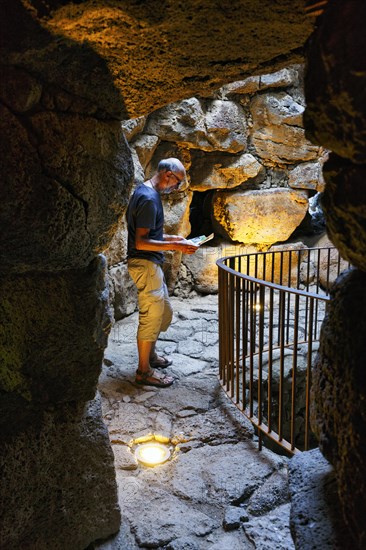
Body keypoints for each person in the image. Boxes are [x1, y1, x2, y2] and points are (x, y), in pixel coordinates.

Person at [126, 158, 199, 388]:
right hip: (145, 264)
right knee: (151, 316)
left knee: (163, 312)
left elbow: (152, 235)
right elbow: (141, 242)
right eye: (177, 182)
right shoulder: (148, 198)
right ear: (168, 174)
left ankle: (151, 357)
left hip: (151, 264)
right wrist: (175, 247)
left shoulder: (149, 193)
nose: (176, 188)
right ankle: (143, 371)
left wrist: (175, 238)